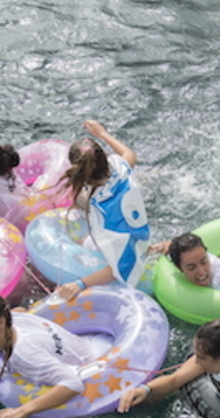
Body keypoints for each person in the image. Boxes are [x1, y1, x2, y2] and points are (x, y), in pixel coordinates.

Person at [0, 291, 107, 418]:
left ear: (1, 321)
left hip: (100, 370)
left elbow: (73, 384)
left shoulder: (24, 355)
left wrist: (23, 410)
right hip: (97, 341)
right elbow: (20, 310)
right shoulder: (15, 319)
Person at [53, 120, 150, 300]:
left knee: (83, 242)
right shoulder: (121, 169)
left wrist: (79, 283)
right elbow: (129, 154)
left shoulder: (102, 214)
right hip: (138, 234)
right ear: (105, 157)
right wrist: (102, 133)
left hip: (126, 253)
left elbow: (120, 267)